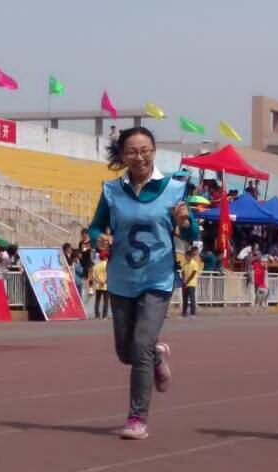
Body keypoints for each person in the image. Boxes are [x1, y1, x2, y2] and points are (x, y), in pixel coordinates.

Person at [88, 126, 199, 440]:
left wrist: (185, 222)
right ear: (123, 156)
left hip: (158, 279)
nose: (139, 157)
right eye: (132, 152)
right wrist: (99, 238)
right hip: (122, 278)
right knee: (126, 353)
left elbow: (192, 234)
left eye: (145, 150)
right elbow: (95, 228)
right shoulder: (112, 191)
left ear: (154, 151)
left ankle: (137, 417)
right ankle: (158, 354)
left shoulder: (174, 190)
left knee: (140, 347)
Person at [181, 247, 201, 318]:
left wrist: (187, 281)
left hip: (191, 283)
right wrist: (183, 280)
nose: (186, 257)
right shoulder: (184, 263)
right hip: (185, 283)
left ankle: (193, 313)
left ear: (190, 256)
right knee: (185, 298)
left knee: (192, 299)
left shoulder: (194, 263)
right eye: (185, 256)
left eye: (187, 256)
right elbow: (183, 272)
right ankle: (184, 312)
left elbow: (193, 273)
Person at [91, 252, 109, 319]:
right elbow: (109, 274)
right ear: (105, 257)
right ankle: (104, 316)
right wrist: (104, 281)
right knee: (105, 301)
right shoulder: (107, 265)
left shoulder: (96, 265)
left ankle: (97, 315)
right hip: (105, 285)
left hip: (98, 285)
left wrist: (99, 281)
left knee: (97, 301)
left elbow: (93, 276)